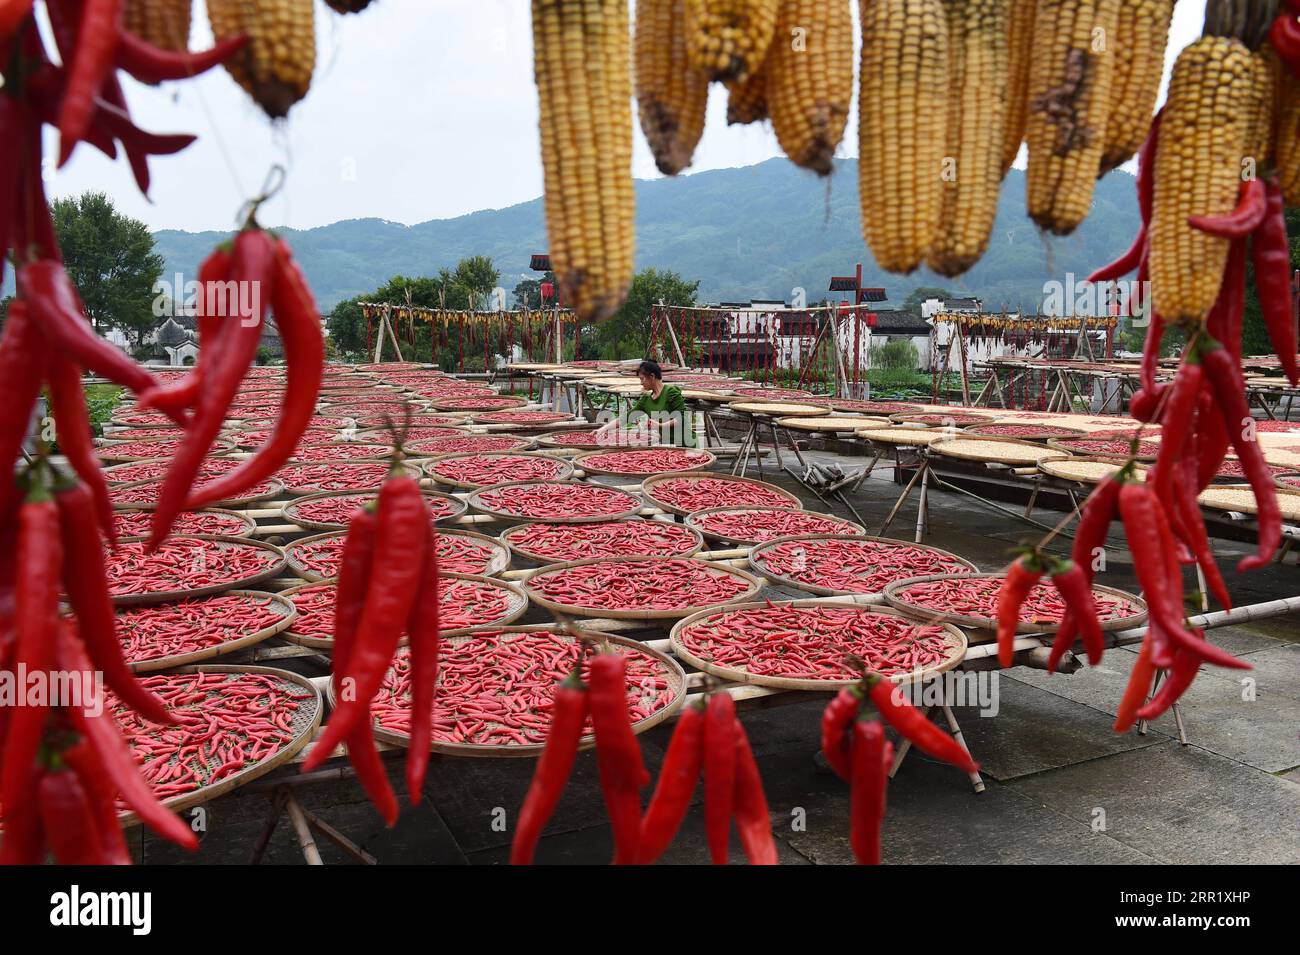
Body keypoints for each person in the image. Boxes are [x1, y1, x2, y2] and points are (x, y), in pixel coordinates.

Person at [603, 359, 697, 447]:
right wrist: (604, 428)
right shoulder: (646, 399)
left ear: (652, 376)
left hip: (686, 444)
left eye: (642, 379)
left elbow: (681, 418)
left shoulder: (671, 392)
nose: (641, 383)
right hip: (668, 445)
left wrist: (660, 425)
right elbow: (626, 417)